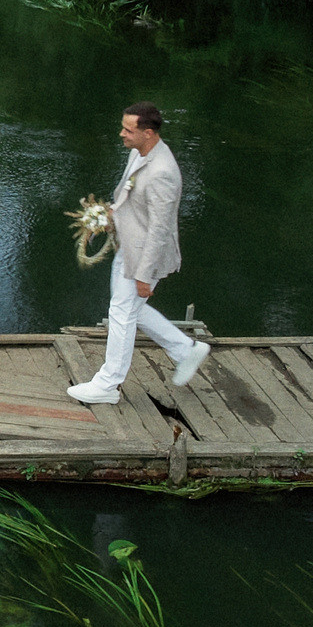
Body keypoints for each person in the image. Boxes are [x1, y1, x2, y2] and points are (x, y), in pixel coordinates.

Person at [66, 101, 210, 405]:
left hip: (145, 257)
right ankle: (186, 350)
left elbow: (159, 230)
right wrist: (106, 218)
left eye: (128, 130)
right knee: (131, 310)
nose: (121, 134)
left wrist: (145, 276)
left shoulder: (163, 173)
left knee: (121, 313)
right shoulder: (138, 153)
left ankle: (108, 384)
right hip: (128, 247)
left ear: (148, 133)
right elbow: (128, 199)